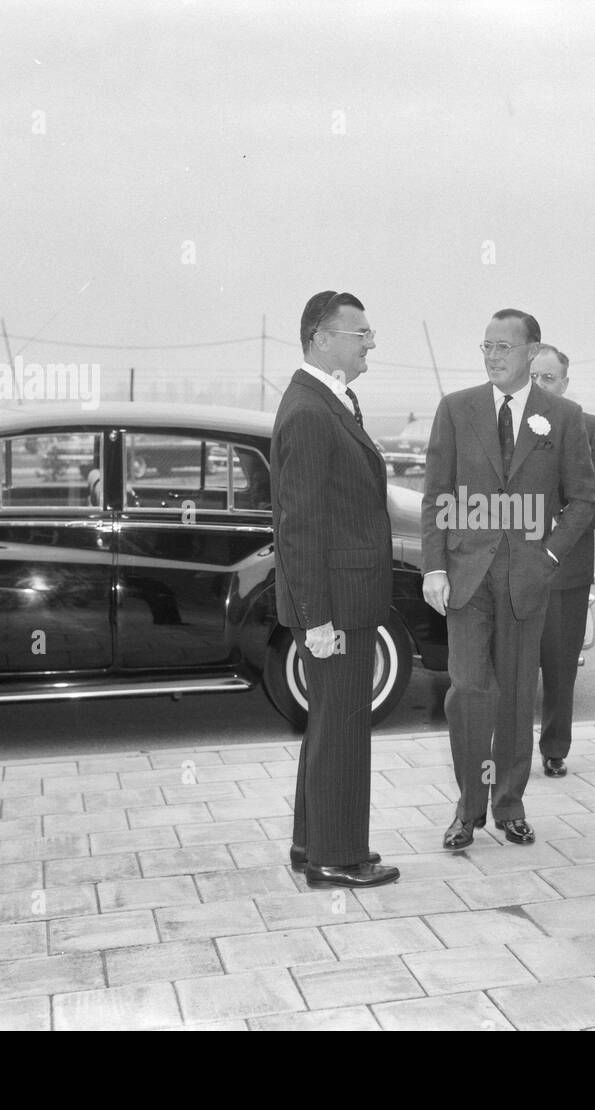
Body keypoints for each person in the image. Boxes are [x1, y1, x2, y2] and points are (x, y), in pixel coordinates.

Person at [422, 309, 595, 849]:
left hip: (527, 578)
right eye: (486, 346)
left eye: (503, 347)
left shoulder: (562, 416)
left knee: (519, 696)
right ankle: (468, 807)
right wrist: (433, 566)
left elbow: (585, 499)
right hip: (467, 576)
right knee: (471, 690)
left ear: (531, 351)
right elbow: (436, 495)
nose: (493, 356)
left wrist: (547, 556)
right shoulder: (456, 410)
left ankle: (510, 804)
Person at [269, 290, 398, 889]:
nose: (371, 342)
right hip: (334, 608)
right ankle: (336, 858)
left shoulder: (327, 402)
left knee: (329, 724)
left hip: (342, 601)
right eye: (361, 333)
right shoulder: (309, 411)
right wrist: (316, 618)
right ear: (323, 339)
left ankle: (310, 842)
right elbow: (299, 525)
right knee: (343, 727)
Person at [529, 344, 595, 778]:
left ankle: (555, 748)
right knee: (514, 667)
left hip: (568, 567)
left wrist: (562, 528)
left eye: (549, 378)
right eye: (534, 377)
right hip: (518, 565)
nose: (541, 385)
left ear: (565, 382)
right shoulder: (514, 423)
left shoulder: (592, 427)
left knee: (561, 668)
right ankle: (509, 748)